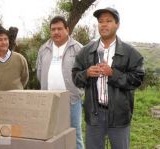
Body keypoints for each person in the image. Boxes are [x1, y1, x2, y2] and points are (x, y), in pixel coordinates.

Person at [72, 7, 145, 149]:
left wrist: (113, 74)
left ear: (117, 24)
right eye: (100, 21)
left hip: (119, 115)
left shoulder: (131, 53)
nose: (103, 24)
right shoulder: (86, 51)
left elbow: (138, 79)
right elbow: (75, 77)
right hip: (94, 114)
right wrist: (86, 73)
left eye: (108, 21)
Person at [36, 16, 84, 149]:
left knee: (75, 134)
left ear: (67, 30)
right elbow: (39, 72)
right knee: (50, 134)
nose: (56, 32)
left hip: (72, 99)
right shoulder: (44, 49)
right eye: (53, 29)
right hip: (48, 100)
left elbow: (85, 74)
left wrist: (79, 91)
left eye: (59, 29)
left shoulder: (78, 48)